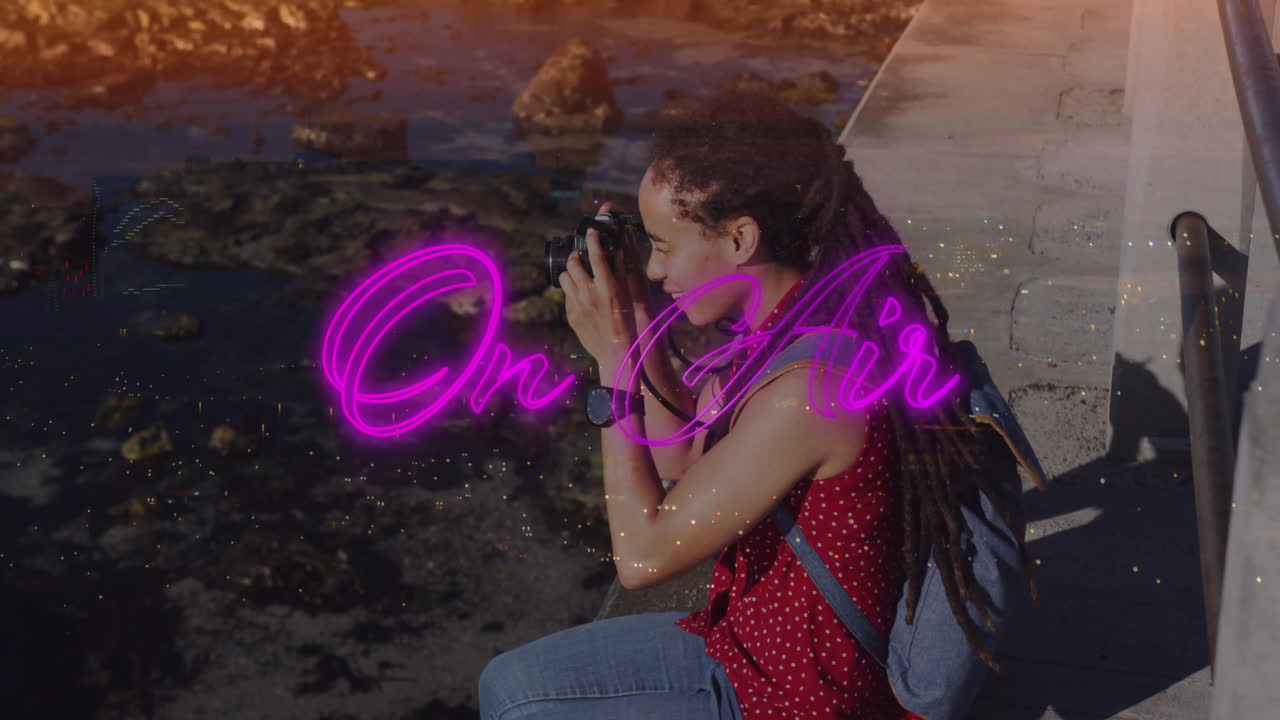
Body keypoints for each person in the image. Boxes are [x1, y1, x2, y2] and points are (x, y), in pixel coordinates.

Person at [478, 89, 1035, 720]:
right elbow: (687, 454)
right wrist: (632, 318)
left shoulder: (809, 392)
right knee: (507, 681)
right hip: (750, 644)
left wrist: (613, 368)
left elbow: (643, 556)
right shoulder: (798, 319)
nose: (656, 268)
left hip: (793, 697)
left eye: (662, 244)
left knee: (515, 702)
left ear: (741, 238)